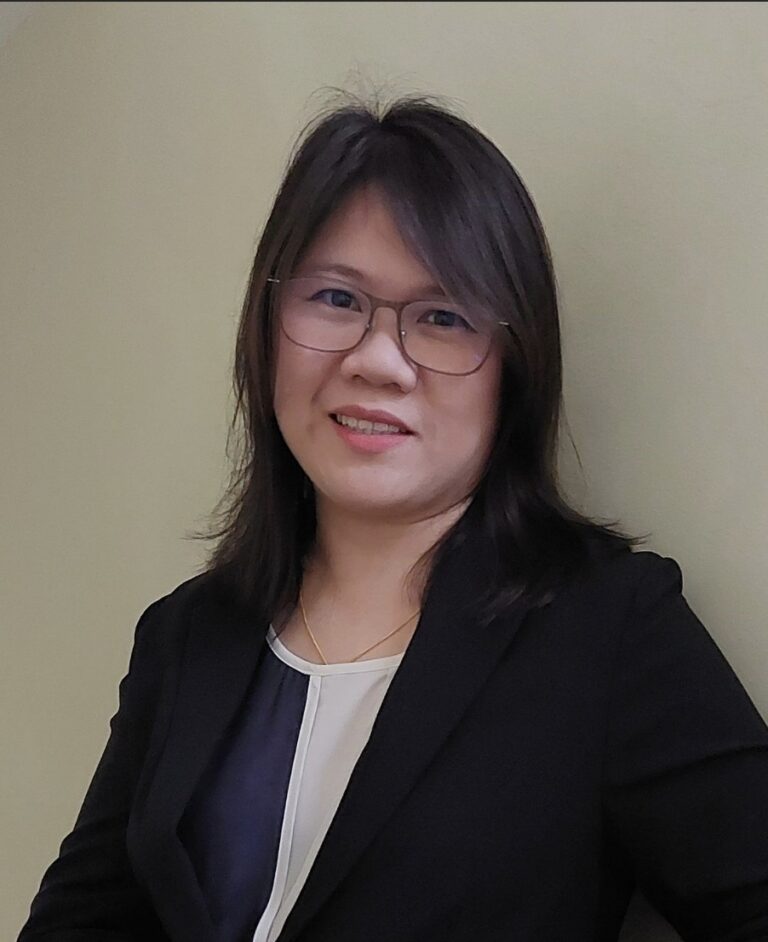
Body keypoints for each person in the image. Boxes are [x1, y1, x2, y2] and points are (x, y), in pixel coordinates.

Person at [18, 93, 768, 942]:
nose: (378, 361)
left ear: (513, 367)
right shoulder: (187, 633)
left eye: (443, 317)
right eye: (336, 299)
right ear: (268, 327)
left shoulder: (609, 625)